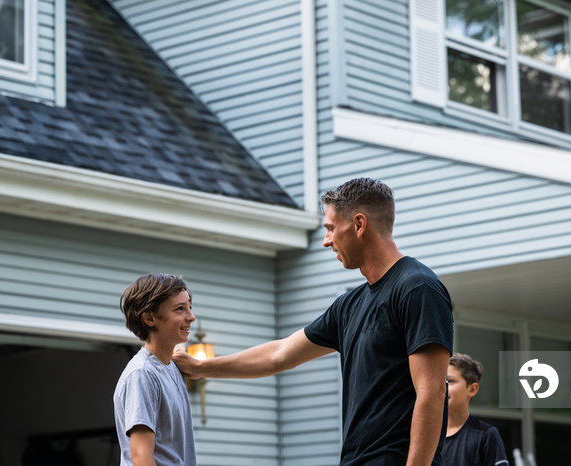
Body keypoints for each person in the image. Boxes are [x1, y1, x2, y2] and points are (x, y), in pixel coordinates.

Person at [173, 177, 454, 465]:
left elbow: (431, 391)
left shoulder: (417, 288)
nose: (326, 240)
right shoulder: (349, 305)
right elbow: (279, 355)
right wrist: (201, 367)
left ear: (359, 225)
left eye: (331, 228)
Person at [113, 273, 197, 466]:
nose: (191, 317)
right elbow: (141, 457)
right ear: (150, 318)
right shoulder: (142, 374)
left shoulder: (173, 369)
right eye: (180, 309)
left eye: (189, 307)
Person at [442, 353, 509, 466]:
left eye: (450, 381)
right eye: (440, 381)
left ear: (472, 389)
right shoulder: (423, 435)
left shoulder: (486, 435)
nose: (442, 387)